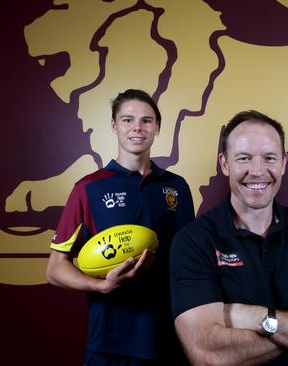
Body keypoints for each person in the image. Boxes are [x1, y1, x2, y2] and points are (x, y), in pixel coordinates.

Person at [170, 110, 288, 365]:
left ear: (283, 162)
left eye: (269, 158)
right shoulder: (193, 242)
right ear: (224, 163)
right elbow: (208, 355)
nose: (258, 171)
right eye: (244, 158)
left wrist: (258, 318)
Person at [46, 89, 195, 365]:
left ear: (157, 128)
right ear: (114, 125)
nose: (137, 128)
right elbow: (55, 269)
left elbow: (190, 262)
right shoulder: (88, 188)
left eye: (147, 121)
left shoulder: (177, 187)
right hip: (110, 343)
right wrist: (100, 286)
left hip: (171, 340)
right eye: (128, 120)